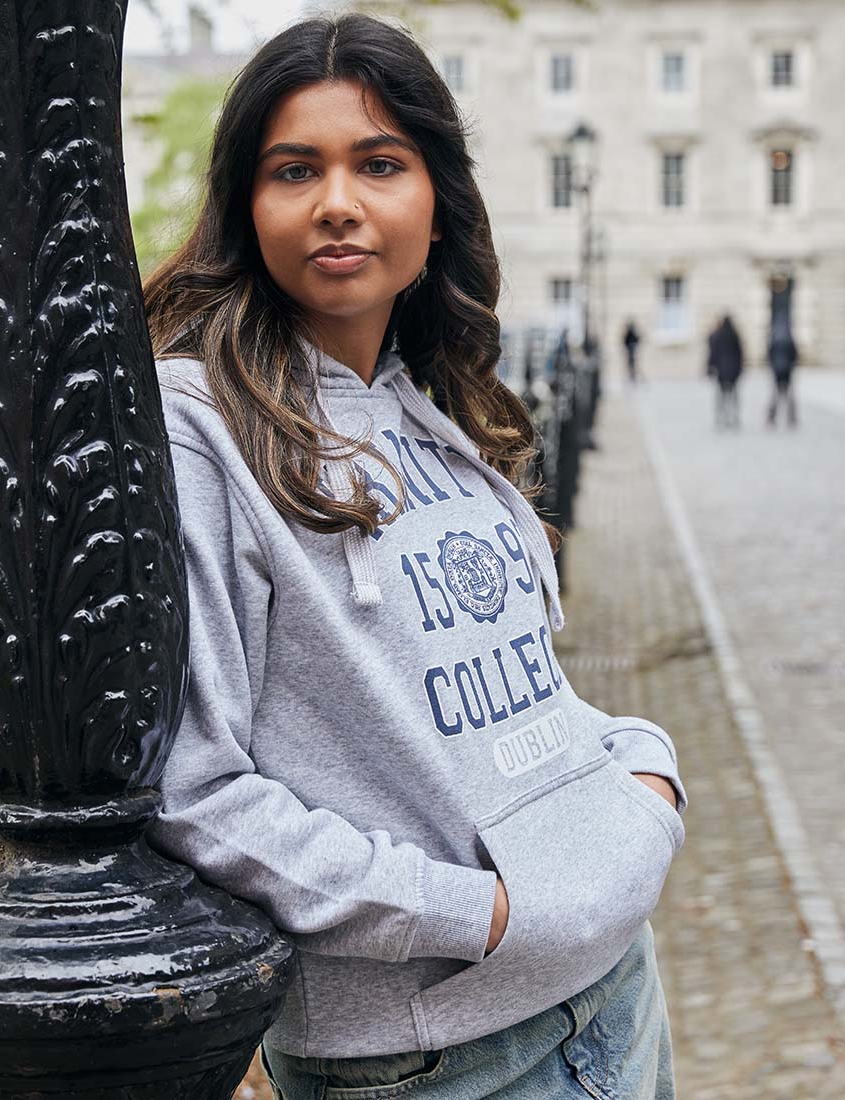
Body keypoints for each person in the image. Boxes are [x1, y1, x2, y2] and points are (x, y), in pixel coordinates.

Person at [142, 14, 688, 1099]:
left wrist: (642, 762)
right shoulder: (193, 419)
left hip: (614, 990)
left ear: (434, 207)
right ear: (247, 209)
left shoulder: (426, 404)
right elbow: (193, 787)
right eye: (294, 169)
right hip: (434, 1055)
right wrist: (469, 912)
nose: (337, 200)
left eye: (378, 163)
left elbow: (506, 683)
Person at [707, 314, 743, 430]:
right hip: (733, 370)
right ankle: (733, 416)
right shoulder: (735, 335)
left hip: (722, 370)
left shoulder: (717, 336)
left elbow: (713, 354)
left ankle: (721, 417)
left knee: (722, 396)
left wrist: (710, 368)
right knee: (733, 395)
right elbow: (740, 354)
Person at [766, 325, 799, 429]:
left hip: (777, 371)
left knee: (775, 396)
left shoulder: (775, 341)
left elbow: (769, 356)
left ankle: (772, 417)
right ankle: (791, 418)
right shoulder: (789, 341)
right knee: (789, 396)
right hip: (787, 371)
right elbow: (795, 355)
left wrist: (773, 367)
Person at [622, 319, 641, 385]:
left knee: (633, 366)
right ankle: (631, 378)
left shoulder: (632, 333)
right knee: (630, 366)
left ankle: (634, 378)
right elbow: (625, 341)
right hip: (630, 352)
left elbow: (637, 340)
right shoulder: (629, 333)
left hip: (633, 352)